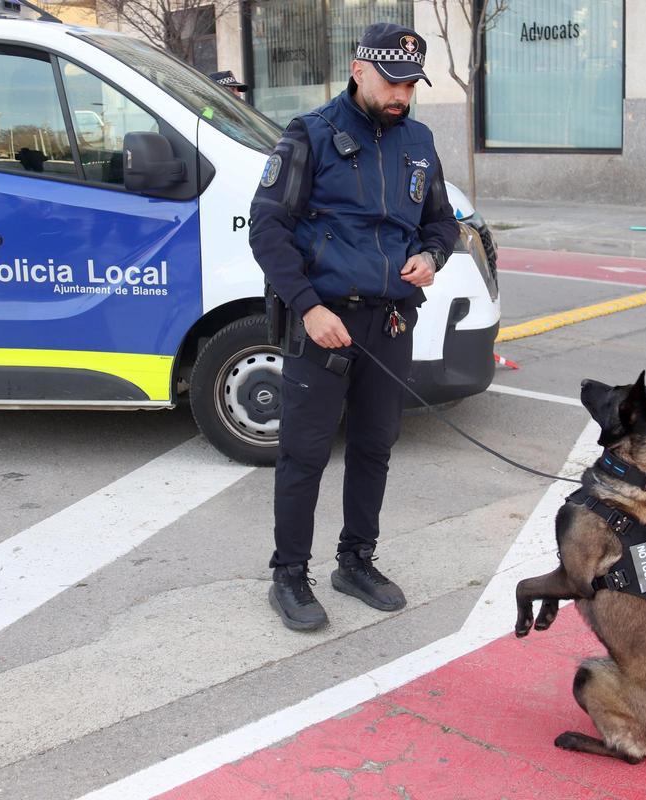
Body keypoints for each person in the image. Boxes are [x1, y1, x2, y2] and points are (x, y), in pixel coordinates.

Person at [248, 23, 458, 632]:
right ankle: (289, 574)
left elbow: (440, 222)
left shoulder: (418, 141)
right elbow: (267, 227)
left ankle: (355, 561)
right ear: (358, 69)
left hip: (390, 320)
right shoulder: (308, 135)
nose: (401, 95)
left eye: (411, 84)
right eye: (391, 82)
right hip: (323, 321)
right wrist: (309, 307)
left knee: (374, 446)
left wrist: (432, 256)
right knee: (305, 453)